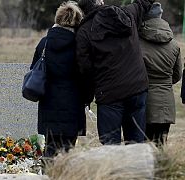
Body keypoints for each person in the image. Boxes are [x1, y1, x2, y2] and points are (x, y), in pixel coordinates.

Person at [76, 0, 155, 145]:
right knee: (137, 145)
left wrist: (87, 97)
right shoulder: (127, 14)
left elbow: (85, 70)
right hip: (137, 88)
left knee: (111, 148)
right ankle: (138, 167)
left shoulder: (84, 32)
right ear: (100, 2)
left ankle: (115, 168)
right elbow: (144, 2)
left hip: (109, 94)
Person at [30, 1, 86, 157]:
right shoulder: (80, 45)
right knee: (67, 151)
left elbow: (34, 68)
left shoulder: (44, 43)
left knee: (50, 149)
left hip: (49, 104)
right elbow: (85, 75)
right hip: (73, 106)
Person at [140, 3, 182, 147]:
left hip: (143, 101)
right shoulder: (174, 45)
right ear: (160, 16)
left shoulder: (137, 43)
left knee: (143, 147)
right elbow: (177, 75)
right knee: (160, 146)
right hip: (166, 104)